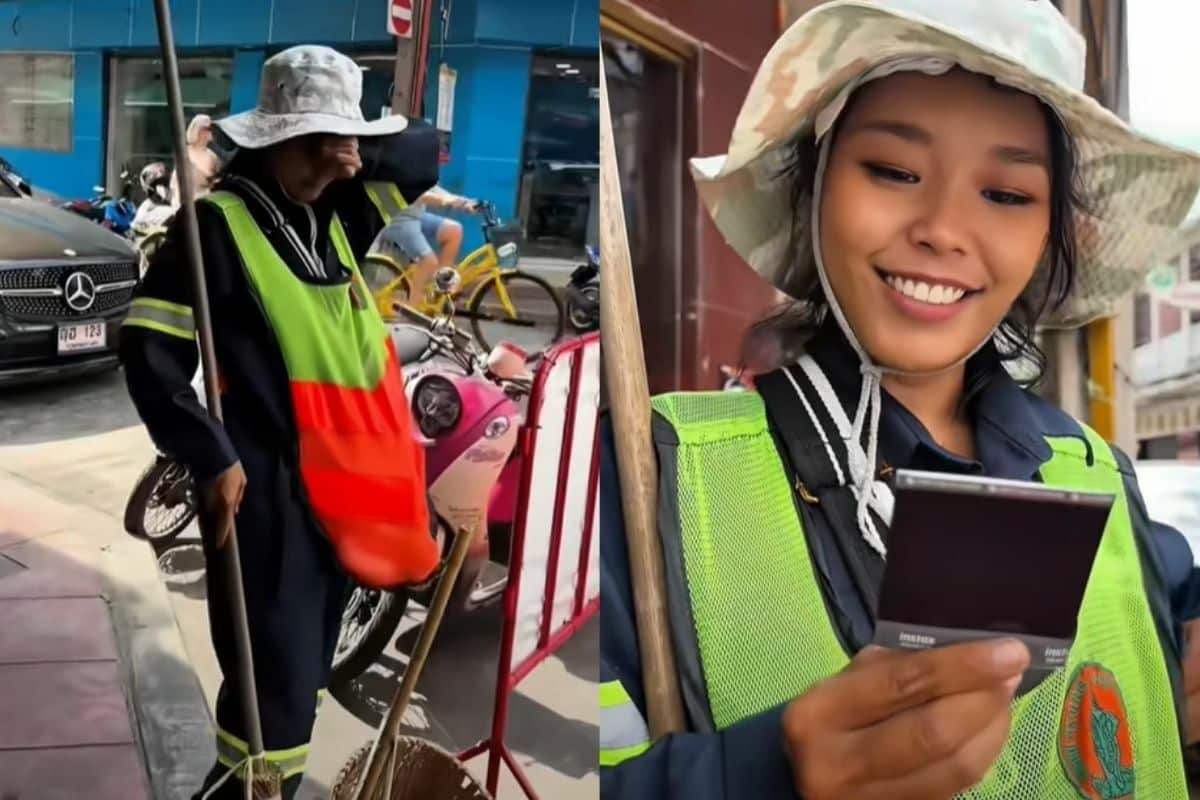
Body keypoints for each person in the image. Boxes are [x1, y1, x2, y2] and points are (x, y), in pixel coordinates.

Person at [599, 2, 1200, 798]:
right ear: (813, 187)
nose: (944, 230)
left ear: (1052, 231)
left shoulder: (1097, 474)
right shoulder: (648, 480)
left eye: (1007, 194)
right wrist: (760, 775)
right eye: (892, 171)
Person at [120, 45, 439, 800]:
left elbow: (422, 150)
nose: (337, 164)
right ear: (272, 141)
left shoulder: (330, 216)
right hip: (263, 496)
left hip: (342, 491)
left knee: (301, 679)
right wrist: (209, 454)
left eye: (344, 146)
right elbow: (147, 348)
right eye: (317, 144)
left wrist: (346, 133)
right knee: (274, 694)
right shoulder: (214, 229)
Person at [369, 182, 480, 304]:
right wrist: (446, 201)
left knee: (454, 230)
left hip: (416, 216)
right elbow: (415, 194)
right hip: (398, 219)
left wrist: (463, 201)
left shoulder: (417, 168)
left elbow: (429, 186)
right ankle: (412, 307)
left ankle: (438, 289)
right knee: (428, 261)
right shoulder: (398, 167)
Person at [170, 113, 223, 206]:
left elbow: (218, 182)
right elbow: (176, 184)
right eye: (208, 129)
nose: (211, 132)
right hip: (185, 205)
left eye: (211, 129)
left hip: (206, 205)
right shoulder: (184, 153)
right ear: (199, 130)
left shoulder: (212, 157)